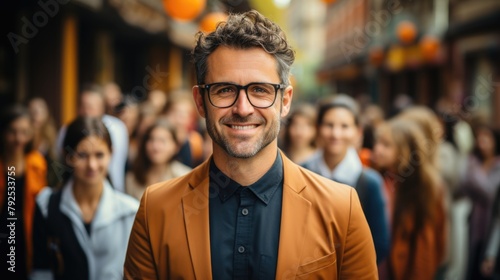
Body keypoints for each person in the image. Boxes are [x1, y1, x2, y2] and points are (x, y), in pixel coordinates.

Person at [124, 10, 377, 279]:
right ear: (200, 101)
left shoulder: (341, 208)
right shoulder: (156, 209)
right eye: (224, 89)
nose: (243, 108)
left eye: (260, 90)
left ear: (286, 100)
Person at [31, 117, 139, 280]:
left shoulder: (130, 211)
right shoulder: (47, 206)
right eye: (82, 155)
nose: (92, 165)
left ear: (112, 153)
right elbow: (41, 271)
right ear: (68, 156)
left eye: (99, 155)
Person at [301, 95, 389, 265]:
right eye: (329, 125)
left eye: (344, 126)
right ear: (318, 128)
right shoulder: (300, 172)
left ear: (358, 132)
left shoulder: (369, 182)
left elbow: (379, 244)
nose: (336, 134)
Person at [372, 118, 447, 280]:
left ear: (405, 150)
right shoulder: (376, 177)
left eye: (386, 145)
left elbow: (426, 246)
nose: (377, 149)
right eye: (377, 142)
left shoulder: (424, 187)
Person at [0, 105, 47, 279]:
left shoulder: (37, 163)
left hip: (27, 232)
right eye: (12, 132)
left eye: (24, 132)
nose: (18, 138)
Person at [55, 84, 129, 192]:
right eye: (83, 106)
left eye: (91, 107)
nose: (87, 112)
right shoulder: (67, 130)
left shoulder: (117, 129)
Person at [458, 124, 500, 280]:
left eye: (486, 138)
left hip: (493, 223)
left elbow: (490, 193)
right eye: (479, 138)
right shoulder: (473, 162)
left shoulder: (495, 166)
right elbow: (461, 185)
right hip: (475, 222)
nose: (482, 142)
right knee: (472, 265)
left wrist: (474, 172)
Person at [126, 120, 191, 200]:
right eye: (151, 140)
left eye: (162, 141)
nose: (155, 146)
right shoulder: (132, 179)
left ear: (175, 146)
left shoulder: (184, 176)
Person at [28, 97, 59, 186]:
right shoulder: (22, 137)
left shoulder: (52, 137)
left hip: (47, 184)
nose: (35, 114)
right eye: (32, 110)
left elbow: (56, 166)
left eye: (40, 109)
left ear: (47, 113)